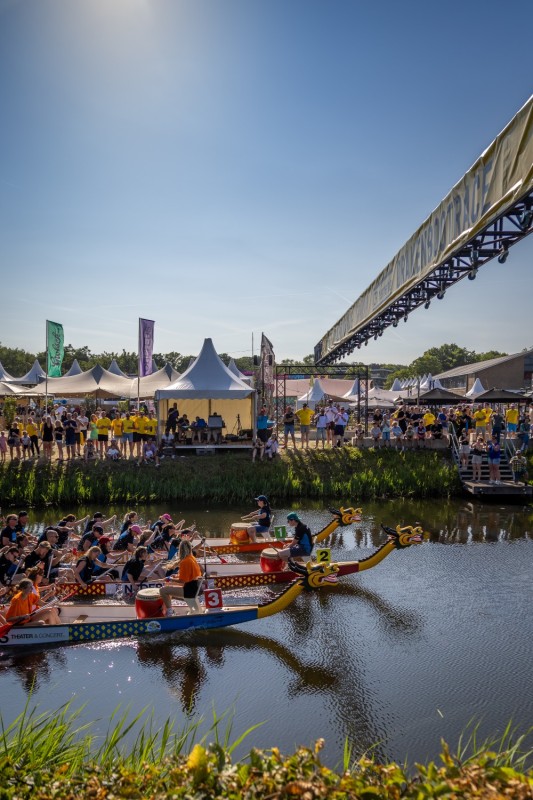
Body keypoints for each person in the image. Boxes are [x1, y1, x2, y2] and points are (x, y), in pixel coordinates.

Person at [160, 539, 203, 615]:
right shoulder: (192, 558)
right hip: (194, 587)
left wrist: (170, 579)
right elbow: (189, 577)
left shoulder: (185, 562)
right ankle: (169, 609)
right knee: (168, 586)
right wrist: (175, 576)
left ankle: (169, 612)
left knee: (163, 590)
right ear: (190, 548)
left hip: (189, 590)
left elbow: (182, 581)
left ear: (180, 550)